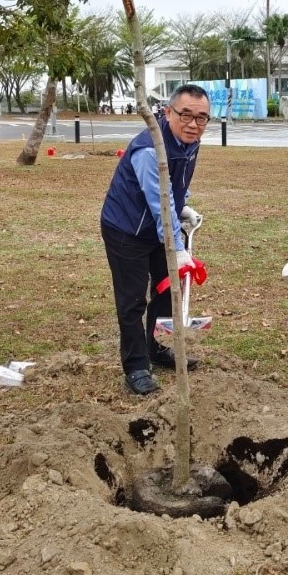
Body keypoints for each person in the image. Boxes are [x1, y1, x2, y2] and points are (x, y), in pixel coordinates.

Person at [101, 85, 210, 395]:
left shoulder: (191, 142)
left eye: (202, 118)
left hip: (156, 226)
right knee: (132, 300)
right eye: (185, 115)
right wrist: (176, 247)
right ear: (167, 112)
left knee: (164, 292)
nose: (193, 124)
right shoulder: (150, 149)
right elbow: (158, 203)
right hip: (126, 229)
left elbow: (175, 186)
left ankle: (152, 347)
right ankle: (136, 367)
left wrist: (183, 204)